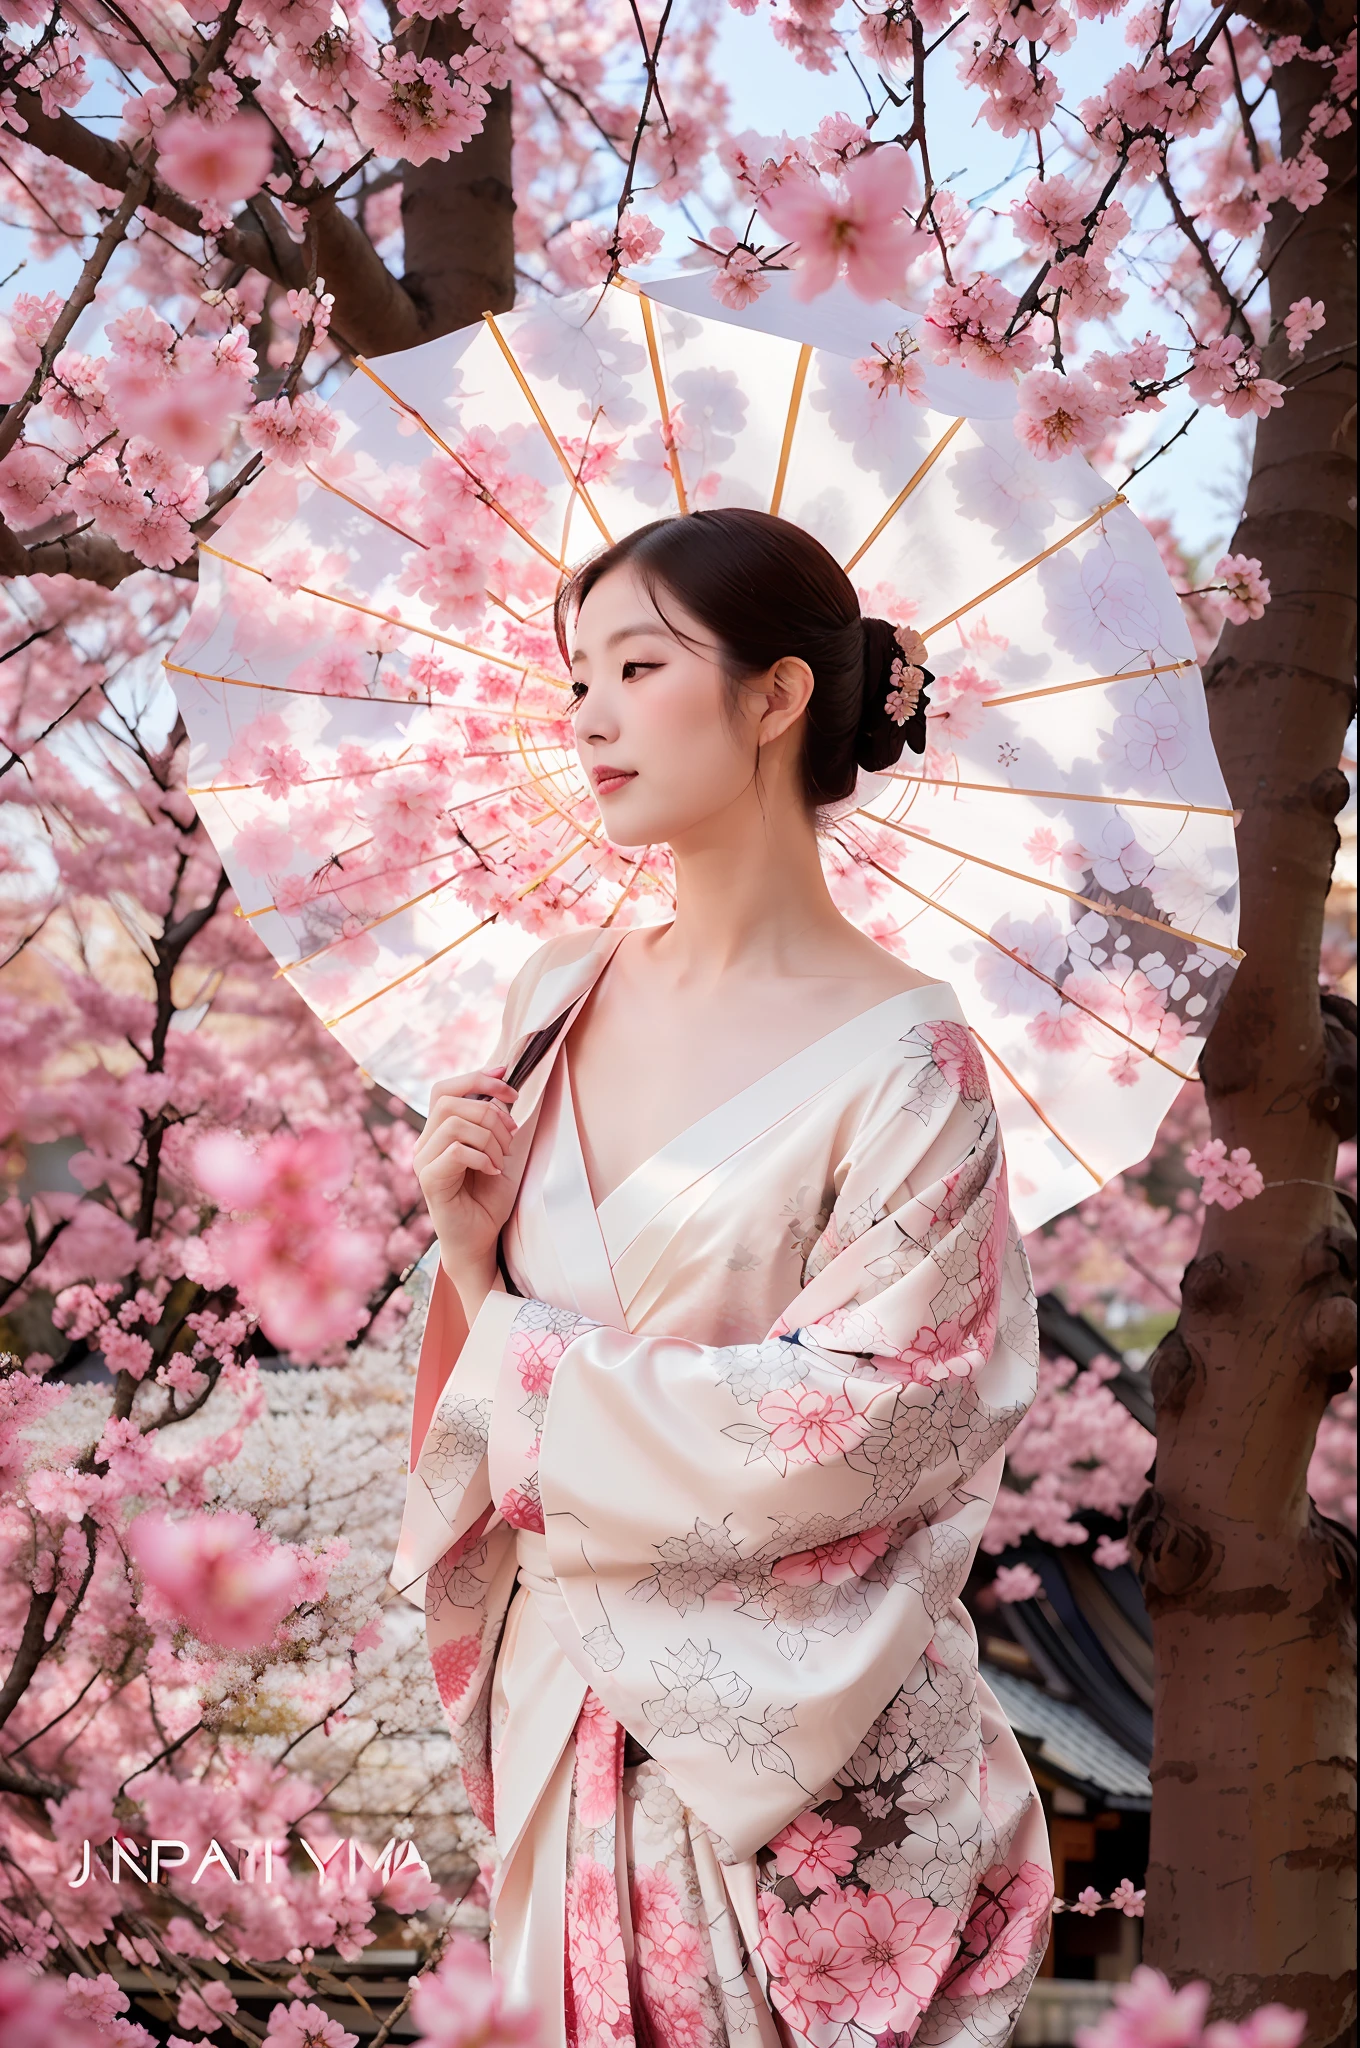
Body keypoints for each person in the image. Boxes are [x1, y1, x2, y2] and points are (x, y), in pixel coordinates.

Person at [391, 506, 1054, 2046]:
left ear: (776, 697)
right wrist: (459, 1242)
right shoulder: (554, 993)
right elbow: (474, 1412)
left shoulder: (911, 1059)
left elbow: (883, 1420)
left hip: (775, 1766)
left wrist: (506, 1323)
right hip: (570, 1689)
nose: (589, 718)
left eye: (638, 666)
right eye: (574, 678)